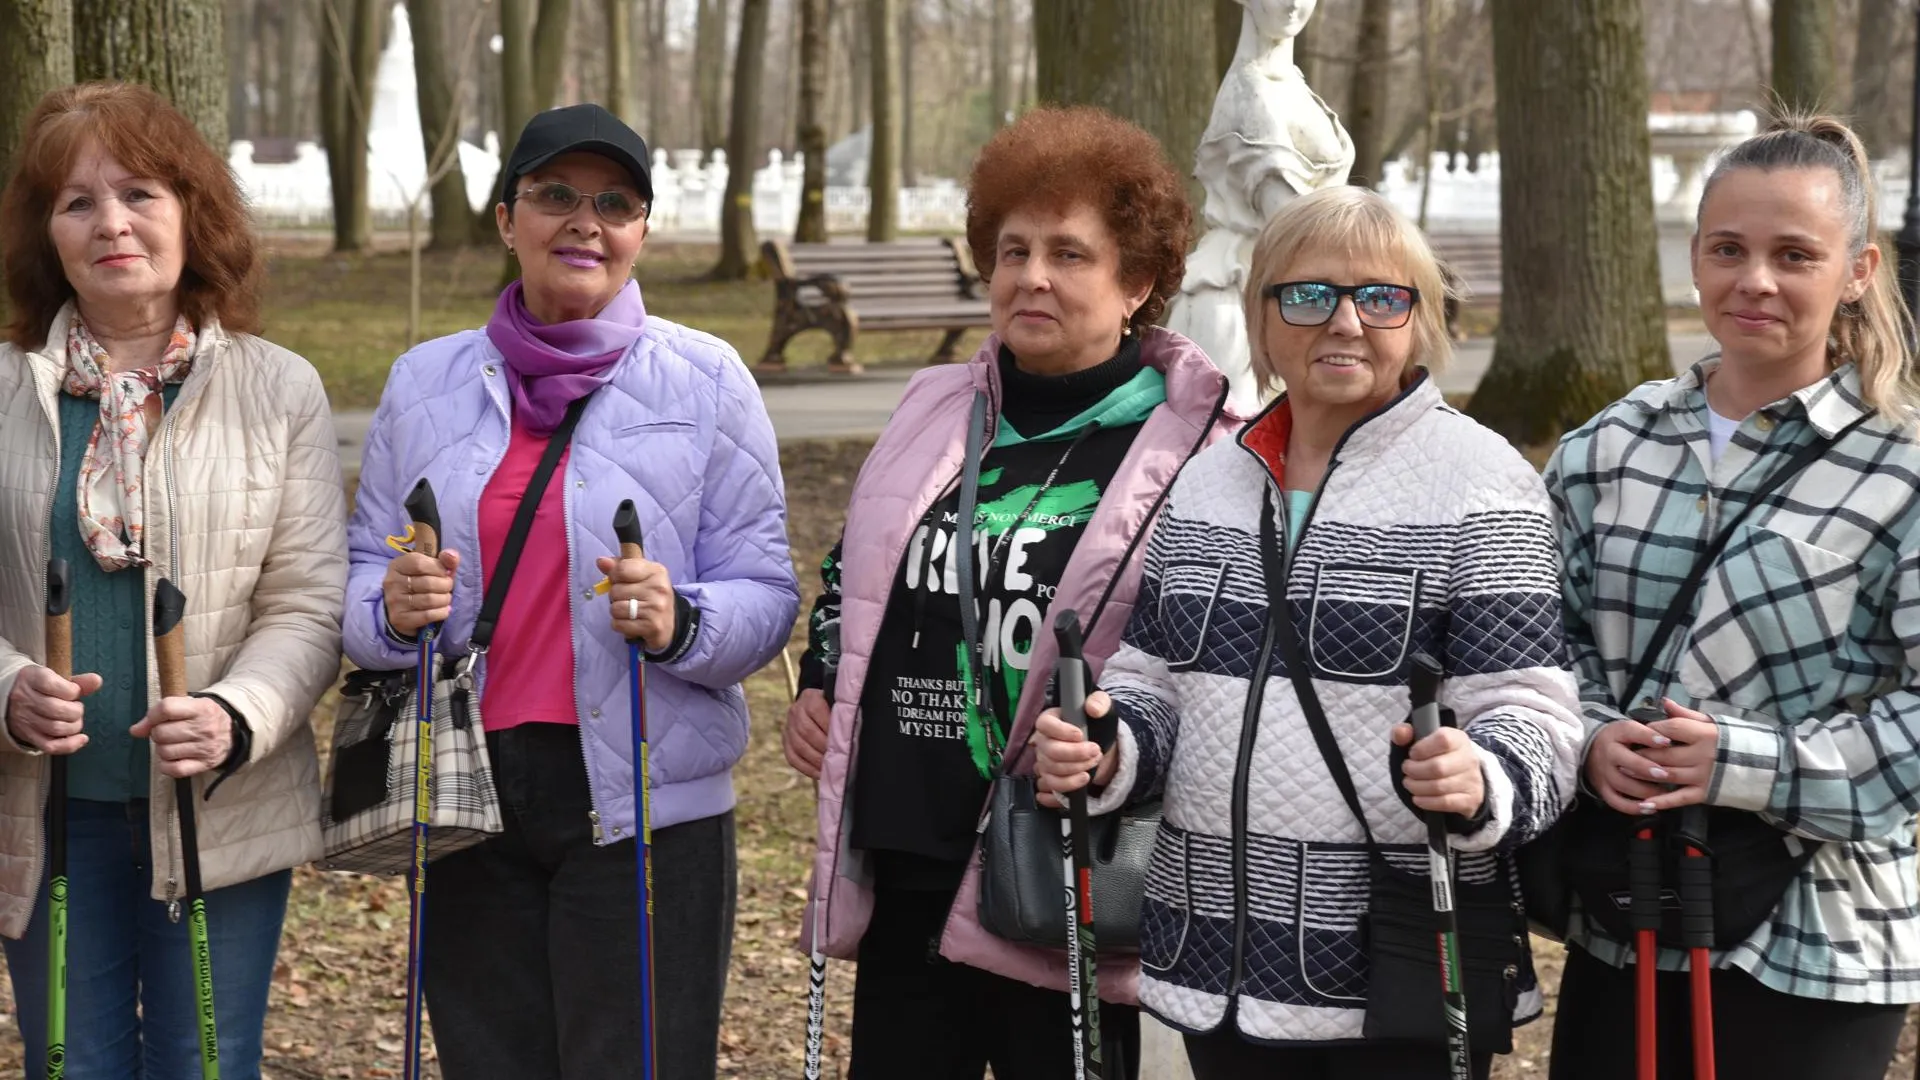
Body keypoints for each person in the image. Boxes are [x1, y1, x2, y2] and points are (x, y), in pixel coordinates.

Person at [1032, 185, 1584, 1080]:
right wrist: (1108, 744)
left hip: (1395, 968)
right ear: (1261, 316)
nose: (1346, 322)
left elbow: (1536, 712)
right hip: (1212, 955)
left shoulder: (1483, 485)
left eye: (1381, 296)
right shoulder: (1209, 483)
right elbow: (1155, 679)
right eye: (1309, 294)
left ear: (1419, 317)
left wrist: (1480, 773)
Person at [781, 105, 1241, 1079]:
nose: (1032, 276)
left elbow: (1212, 663)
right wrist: (821, 680)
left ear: (1141, 283)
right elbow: (850, 571)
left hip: (1063, 871)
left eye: (1071, 254)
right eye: (1013, 249)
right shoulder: (935, 407)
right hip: (911, 857)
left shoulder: (1194, 455)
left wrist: (1116, 742)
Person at [342, 102, 796, 1079]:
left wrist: (683, 622)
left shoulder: (704, 380)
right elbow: (359, 584)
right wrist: (391, 608)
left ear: (641, 231)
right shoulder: (425, 382)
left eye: (615, 202)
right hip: (467, 794)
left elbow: (765, 592)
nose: (585, 220)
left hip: (646, 803)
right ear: (508, 216)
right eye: (556, 195)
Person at [1544, 113, 1920, 1080]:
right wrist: (1587, 739)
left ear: (1859, 271)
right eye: (1729, 249)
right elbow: (1541, 645)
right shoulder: (1608, 445)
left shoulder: (1904, 469)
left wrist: (1745, 763)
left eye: (1795, 254)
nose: (1755, 279)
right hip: (1622, 914)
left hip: (1819, 945)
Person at [0, 82, 347, 1075]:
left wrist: (239, 713)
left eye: (140, 192)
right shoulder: (2, 391)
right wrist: (7, 690)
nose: (111, 221)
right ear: (50, 235)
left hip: (217, 809)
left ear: (193, 211)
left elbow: (309, 598)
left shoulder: (279, 388)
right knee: (74, 1063)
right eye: (77, 201)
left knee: (207, 1061)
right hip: (46, 807)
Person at [1163, 0, 1353, 411]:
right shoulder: (1246, 92)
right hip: (1242, 293)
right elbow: (1289, 219)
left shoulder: (1296, 87)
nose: (1292, 4)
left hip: (1301, 289)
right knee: (1235, 441)